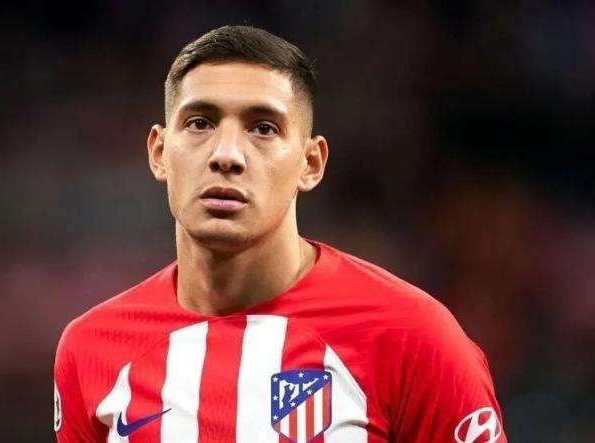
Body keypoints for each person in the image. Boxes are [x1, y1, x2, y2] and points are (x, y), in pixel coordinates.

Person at [53, 25, 507, 443]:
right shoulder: (90, 350)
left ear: (310, 164)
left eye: (263, 128)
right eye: (200, 123)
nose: (227, 155)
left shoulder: (412, 337)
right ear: (159, 152)